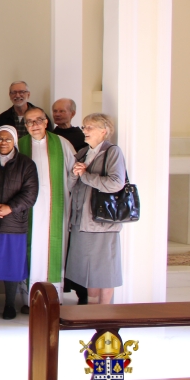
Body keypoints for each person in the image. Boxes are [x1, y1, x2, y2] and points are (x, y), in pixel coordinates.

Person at [66, 113, 128, 305]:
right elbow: (69, 185)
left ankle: (105, 312)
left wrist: (85, 175)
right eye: (84, 127)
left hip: (102, 222)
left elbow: (116, 184)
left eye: (89, 127)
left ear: (104, 130)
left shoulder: (112, 152)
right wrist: (76, 175)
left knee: (105, 270)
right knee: (88, 271)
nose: (85, 130)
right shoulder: (84, 152)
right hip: (81, 221)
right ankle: (91, 311)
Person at [18, 106, 78, 307]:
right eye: (29, 122)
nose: (34, 125)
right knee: (31, 249)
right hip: (29, 209)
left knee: (54, 248)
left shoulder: (61, 144)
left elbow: (73, 174)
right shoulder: (19, 145)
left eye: (38, 120)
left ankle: (54, 299)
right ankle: (29, 299)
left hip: (56, 207)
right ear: (25, 126)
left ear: (46, 122)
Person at [0, 126, 39, 319]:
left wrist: (9, 208)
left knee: (11, 266)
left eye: (7, 139)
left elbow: (30, 194)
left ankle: (10, 305)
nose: (3, 143)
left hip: (14, 223)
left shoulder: (26, 164)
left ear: (14, 141)